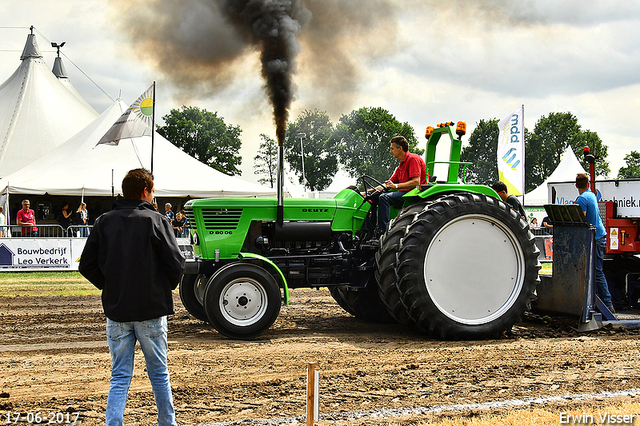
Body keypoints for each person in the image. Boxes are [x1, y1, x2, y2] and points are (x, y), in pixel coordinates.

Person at [79, 168, 185, 426]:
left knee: (120, 376)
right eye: (153, 191)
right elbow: (176, 264)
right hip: (151, 309)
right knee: (159, 373)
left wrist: (110, 286)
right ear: (145, 191)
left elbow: (86, 266)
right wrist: (163, 287)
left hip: (117, 311)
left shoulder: (104, 221)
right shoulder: (156, 220)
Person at [365, 136, 426, 233]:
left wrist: (396, 186)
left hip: (413, 195)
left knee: (384, 198)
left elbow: (416, 182)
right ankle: (369, 230)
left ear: (400, 148)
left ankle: (383, 232)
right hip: (403, 193)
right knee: (371, 197)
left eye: (392, 148)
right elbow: (387, 184)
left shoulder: (413, 159)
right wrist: (368, 192)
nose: (390, 151)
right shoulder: (401, 165)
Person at [575, 172, 614, 312]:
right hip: (600, 236)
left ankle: (608, 305)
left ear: (576, 185)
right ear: (588, 184)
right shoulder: (591, 195)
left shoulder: (581, 199)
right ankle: (602, 303)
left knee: (597, 272)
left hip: (595, 238)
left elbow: (582, 219)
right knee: (596, 272)